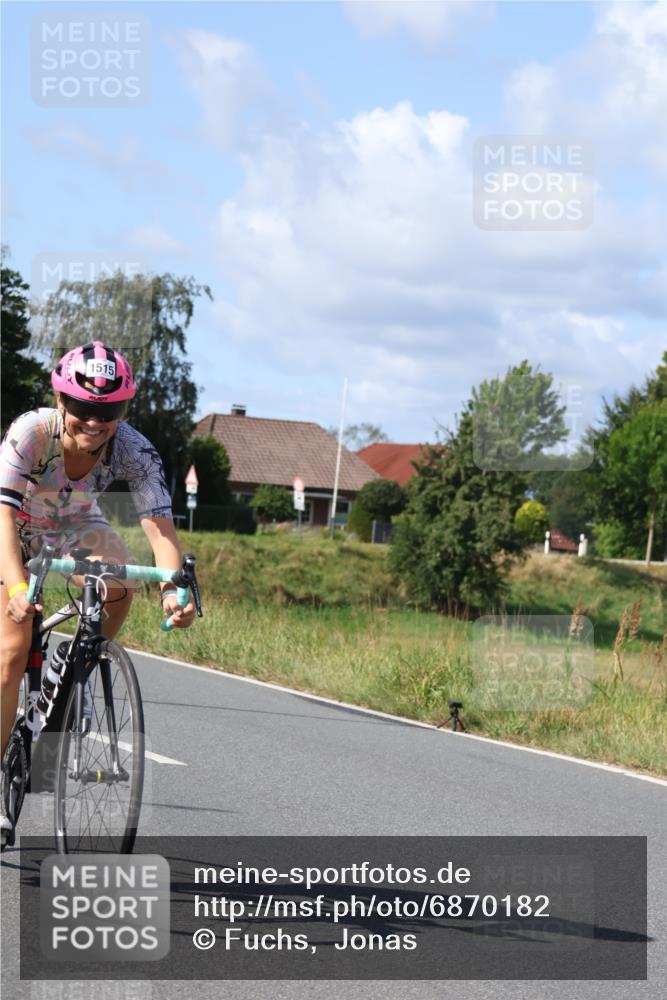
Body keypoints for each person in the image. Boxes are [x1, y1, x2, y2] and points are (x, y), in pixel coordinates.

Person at [0, 341, 195, 844]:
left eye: (108, 411)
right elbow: (2, 516)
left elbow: (160, 532)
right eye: (83, 408)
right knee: (13, 646)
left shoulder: (134, 449)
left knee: (120, 581)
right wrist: (19, 587)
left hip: (71, 520)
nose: (94, 421)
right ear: (61, 401)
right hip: (12, 527)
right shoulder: (32, 432)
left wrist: (174, 591)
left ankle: (75, 671)